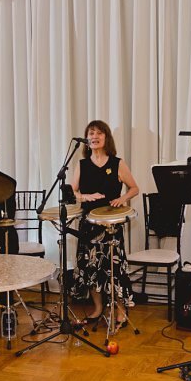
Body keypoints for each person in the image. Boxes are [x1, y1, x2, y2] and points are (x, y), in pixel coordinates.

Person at [71, 120, 140, 327]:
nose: (94, 136)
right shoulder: (82, 164)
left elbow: (134, 188)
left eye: (98, 133)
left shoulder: (117, 163)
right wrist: (85, 196)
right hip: (89, 224)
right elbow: (73, 191)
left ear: (106, 138)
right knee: (91, 267)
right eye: (90, 133)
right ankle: (98, 307)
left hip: (111, 224)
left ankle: (118, 309)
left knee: (113, 268)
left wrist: (122, 199)